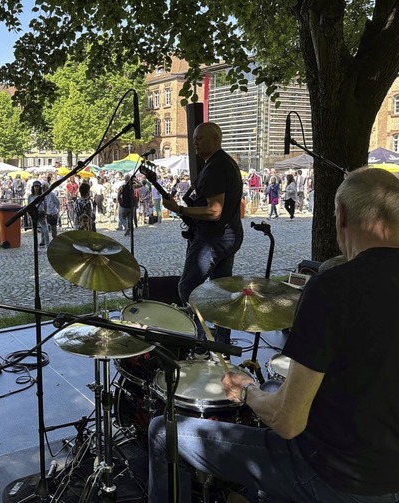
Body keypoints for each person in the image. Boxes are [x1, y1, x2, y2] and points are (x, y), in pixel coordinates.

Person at [148, 167, 399, 503]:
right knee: (272, 387)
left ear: (340, 217)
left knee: (162, 432)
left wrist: (247, 392)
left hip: (331, 478)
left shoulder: (334, 287)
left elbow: (287, 422)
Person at [162, 122, 243, 345]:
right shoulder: (224, 163)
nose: (195, 143)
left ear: (215, 139)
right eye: (194, 138)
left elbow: (214, 211)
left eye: (200, 138)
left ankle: (202, 339)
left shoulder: (216, 167)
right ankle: (221, 341)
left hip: (214, 238)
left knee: (187, 287)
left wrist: (179, 209)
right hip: (228, 236)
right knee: (221, 291)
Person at [27, 180, 50, 247]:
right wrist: (30, 215)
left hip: (41, 214)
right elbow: (29, 206)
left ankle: (47, 245)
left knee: (45, 230)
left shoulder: (42, 196)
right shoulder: (30, 197)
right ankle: (35, 246)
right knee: (34, 231)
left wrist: (45, 213)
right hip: (33, 215)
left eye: (37, 186)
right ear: (33, 187)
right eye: (35, 186)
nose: (36, 188)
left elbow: (45, 206)